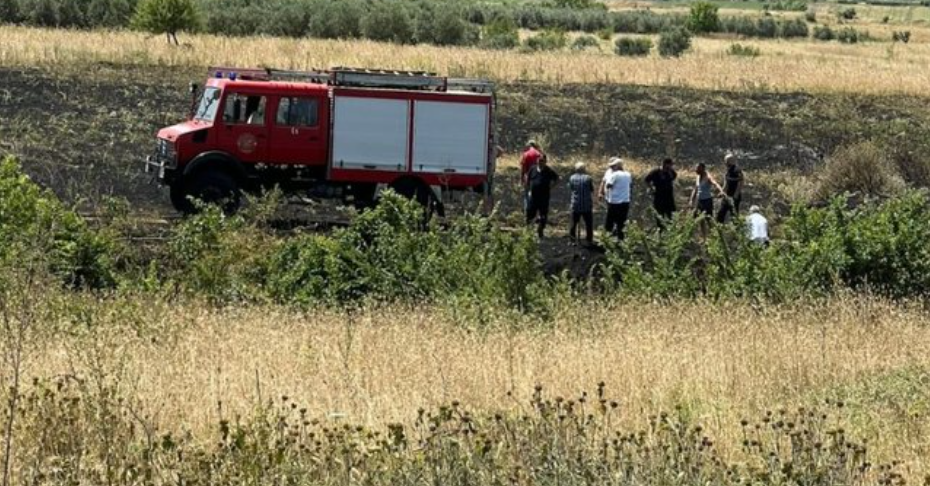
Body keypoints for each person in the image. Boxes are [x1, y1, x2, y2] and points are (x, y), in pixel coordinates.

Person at [525, 154, 559, 238]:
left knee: (543, 214)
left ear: (545, 162)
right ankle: (528, 231)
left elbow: (557, 179)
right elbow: (528, 179)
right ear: (537, 161)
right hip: (533, 196)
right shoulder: (532, 169)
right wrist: (528, 190)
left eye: (542, 161)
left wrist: (551, 187)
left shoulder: (548, 170)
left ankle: (540, 230)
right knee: (530, 212)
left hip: (544, 196)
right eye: (539, 160)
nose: (540, 162)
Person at [601, 157, 632, 240]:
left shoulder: (615, 175)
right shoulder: (628, 174)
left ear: (618, 166)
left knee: (609, 222)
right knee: (621, 222)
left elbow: (608, 185)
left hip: (614, 202)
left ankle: (606, 240)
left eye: (613, 166)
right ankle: (621, 240)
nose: (611, 168)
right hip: (625, 201)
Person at [567, 162, 595, 246]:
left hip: (576, 204)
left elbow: (571, 188)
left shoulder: (572, 178)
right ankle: (589, 240)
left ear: (576, 169)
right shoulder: (588, 178)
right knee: (588, 223)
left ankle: (572, 240)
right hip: (586, 205)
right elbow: (591, 189)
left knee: (573, 223)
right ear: (584, 169)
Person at [644, 157, 678, 225]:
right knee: (659, 217)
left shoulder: (671, 172)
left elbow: (674, 177)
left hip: (669, 198)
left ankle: (671, 232)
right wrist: (651, 188)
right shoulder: (656, 172)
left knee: (672, 217)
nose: (671, 166)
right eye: (670, 165)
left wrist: (670, 173)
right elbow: (646, 180)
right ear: (665, 164)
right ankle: (660, 233)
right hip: (659, 197)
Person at [717, 153, 744, 223]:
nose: (726, 162)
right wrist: (722, 192)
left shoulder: (737, 170)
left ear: (732, 161)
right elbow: (726, 183)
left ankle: (736, 231)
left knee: (734, 216)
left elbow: (740, 183)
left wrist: (735, 196)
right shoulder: (727, 171)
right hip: (727, 196)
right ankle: (718, 231)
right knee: (720, 215)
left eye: (727, 161)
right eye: (725, 161)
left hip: (734, 197)